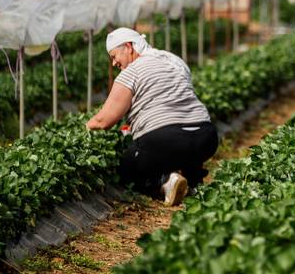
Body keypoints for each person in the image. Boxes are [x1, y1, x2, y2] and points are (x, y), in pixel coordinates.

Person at [86, 27, 218, 206]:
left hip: (167, 140)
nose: (114, 63)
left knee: (127, 165)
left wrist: (86, 126)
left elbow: (105, 120)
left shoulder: (131, 72)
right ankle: (194, 182)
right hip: (206, 136)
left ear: (129, 47)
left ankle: (164, 182)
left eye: (114, 56)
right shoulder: (173, 61)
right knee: (180, 141)